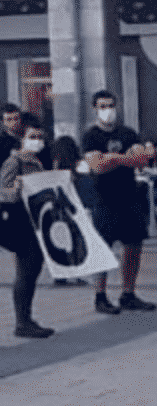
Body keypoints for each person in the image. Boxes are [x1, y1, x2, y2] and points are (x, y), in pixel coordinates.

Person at [83, 90, 156, 315]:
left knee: (133, 246)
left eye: (111, 105)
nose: (108, 110)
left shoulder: (128, 133)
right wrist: (125, 159)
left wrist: (114, 158)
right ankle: (100, 295)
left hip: (130, 197)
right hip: (104, 199)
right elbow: (97, 166)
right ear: (95, 108)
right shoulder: (91, 136)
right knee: (104, 249)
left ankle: (128, 293)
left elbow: (142, 160)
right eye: (103, 106)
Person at [0, 121, 57, 338]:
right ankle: (22, 322)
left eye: (40, 137)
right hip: (21, 223)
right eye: (32, 136)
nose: (37, 141)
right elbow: (3, 194)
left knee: (33, 271)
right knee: (25, 272)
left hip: (37, 222)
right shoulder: (14, 162)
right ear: (22, 139)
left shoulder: (38, 160)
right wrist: (17, 189)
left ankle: (27, 318)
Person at [50, 136, 92, 287]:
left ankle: (60, 275)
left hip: (57, 208)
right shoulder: (76, 166)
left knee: (61, 241)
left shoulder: (55, 165)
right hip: (72, 208)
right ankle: (76, 273)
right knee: (76, 241)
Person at [0, 103, 27, 190]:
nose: (14, 122)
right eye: (9, 119)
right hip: (10, 190)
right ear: (2, 122)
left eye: (16, 118)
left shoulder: (28, 139)